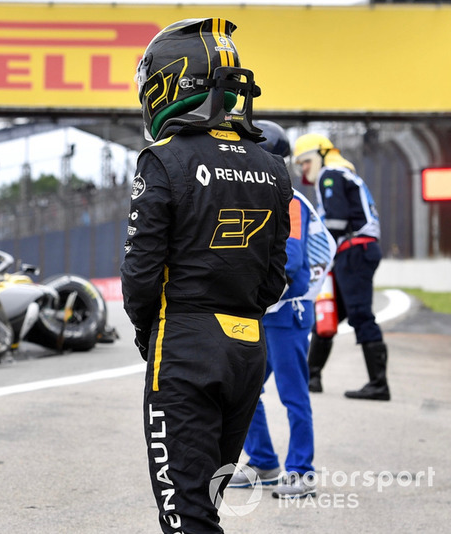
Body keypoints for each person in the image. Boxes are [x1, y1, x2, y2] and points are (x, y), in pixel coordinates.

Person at [121, 19, 293, 533]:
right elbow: (273, 278)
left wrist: (148, 331)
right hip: (247, 349)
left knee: (184, 515)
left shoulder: (162, 160)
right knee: (205, 508)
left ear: (169, 81)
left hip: (185, 347)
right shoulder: (272, 165)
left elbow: (140, 274)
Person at [227, 120, 336, 499]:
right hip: (265, 310)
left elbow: (290, 262)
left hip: (288, 312)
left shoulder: (289, 200)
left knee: (293, 394)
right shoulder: (260, 196)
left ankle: (301, 471)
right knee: (245, 389)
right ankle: (264, 462)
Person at [293, 133, 391, 401]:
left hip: (353, 250)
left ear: (320, 154)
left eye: (305, 161)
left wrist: (314, 253)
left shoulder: (330, 174)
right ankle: (312, 377)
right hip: (356, 249)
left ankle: (379, 384)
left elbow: (334, 222)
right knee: (330, 314)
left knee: (360, 314)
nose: (303, 168)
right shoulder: (343, 174)